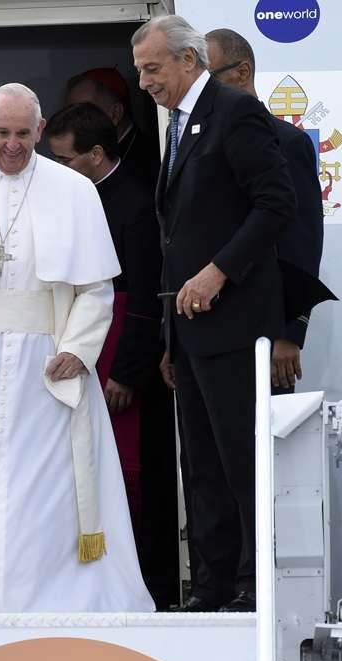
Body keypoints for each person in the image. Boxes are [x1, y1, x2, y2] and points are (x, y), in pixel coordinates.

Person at [0, 83, 153, 612]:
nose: (12, 146)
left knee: (43, 489)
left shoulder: (75, 190)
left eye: (23, 134)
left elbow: (96, 289)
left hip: (45, 363)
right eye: (2, 134)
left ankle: (51, 603)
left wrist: (80, 351)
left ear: (40, 131)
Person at [133, 15, 296, 612]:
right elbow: (178, 236)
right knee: (200, 468)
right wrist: (171, 339)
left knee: (240, 465)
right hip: (193, 334)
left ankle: (257, 589)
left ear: (187, 60)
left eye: (153, 69)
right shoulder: (176, 125)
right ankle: (212, 588)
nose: (145, 82)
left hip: (235, 326)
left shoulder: (235, 112)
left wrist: (221, 270)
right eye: (141, 71)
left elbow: (276, 204)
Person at [45, 102, 179, 608]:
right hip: (89, 350)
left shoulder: (134, 204)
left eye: (63, 159)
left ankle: (147, 588)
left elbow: (145, 297)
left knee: (133, 479)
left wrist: (127, 372)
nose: (54, 170)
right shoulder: (83, 197)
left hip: (122, 359)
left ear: (96, 154)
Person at [205, 29, 326, 395]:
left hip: (264, 329)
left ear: (242, 73)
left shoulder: (285, 142)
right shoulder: (201, 143)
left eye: (209, 79)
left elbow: (301, 241)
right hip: (213, 329)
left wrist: (290, 332)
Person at [64, 68, 160, 187]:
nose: (70, 123)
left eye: (82, 113)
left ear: (115, 113)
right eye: (69, 114)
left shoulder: (150, 159)